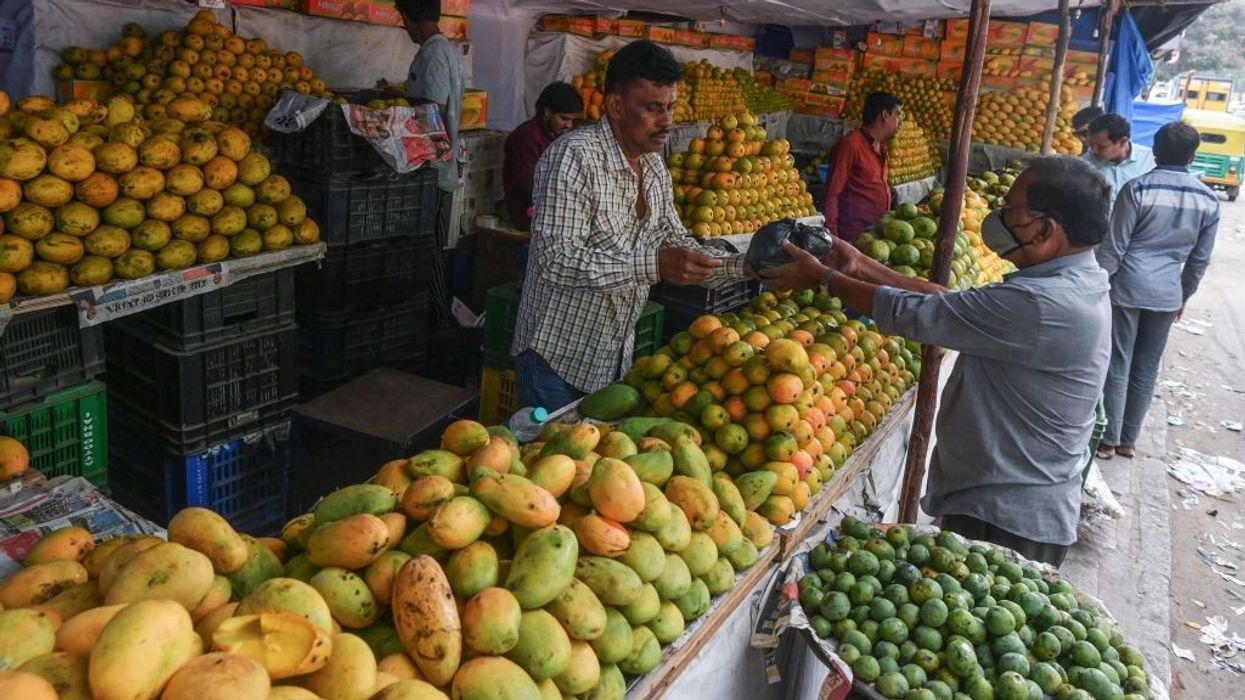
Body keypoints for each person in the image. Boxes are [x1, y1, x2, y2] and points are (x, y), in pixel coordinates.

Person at [760, 157, 1113, 566]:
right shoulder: (1072, 283)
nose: (1000, 215)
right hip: (1004, 497)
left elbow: (925, 315)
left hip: (1007, 515)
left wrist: (824, 279)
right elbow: (950, 303)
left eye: (1011, 209)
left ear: (1046, 228)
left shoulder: (1044, 304)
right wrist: (860, 264)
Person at [510, 41, 751, 410]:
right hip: (553, 359)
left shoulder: (654, 168)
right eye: (653, 108)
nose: (666, 120)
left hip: (610, 358)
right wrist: (655, 264)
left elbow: (678, 242)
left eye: (670, 107)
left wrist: (750, 266)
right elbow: (555, 260)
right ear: (616, 106)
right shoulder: (572, 157)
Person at [1095, 121, 1220, 461]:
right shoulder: (1208, 199)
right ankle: (1128, 442)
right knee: (1147, 367)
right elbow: (1199, 260)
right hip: (1167, 292)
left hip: (1127, 287)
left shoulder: (1137, 189)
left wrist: (1097, 287)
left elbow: (1114, 248)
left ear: (1156, 149)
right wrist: (1183, 294)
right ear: (1193, 156)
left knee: (1117, 362)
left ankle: (1107, 439)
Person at [398, 0, 464, 324]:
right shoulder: (438, 50)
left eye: (403, 19)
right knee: (428, 250)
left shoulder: (435, 53)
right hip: (434, 170)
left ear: (409, 17)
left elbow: (433, 111)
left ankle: (438, 326)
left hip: (436, 171)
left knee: (434, 253)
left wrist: (400, 113)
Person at [503, 82, 583, 231]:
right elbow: (529, 187)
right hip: (529, 217)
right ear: (547, 112)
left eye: (572, 120)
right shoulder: (526, 137)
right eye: (564, 118)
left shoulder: (555, 135)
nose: (569, 125)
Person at [823, 92, 901, 242]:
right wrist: (833, 236)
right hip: (853, 235)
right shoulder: (851, 145)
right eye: (896, 115)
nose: (899, 121)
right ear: (885, 115)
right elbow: (832, 193)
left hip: (875, 233)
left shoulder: (882, 148)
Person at [1084, 113, 1156, 208]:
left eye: (1101, 147)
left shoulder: (1151, 161)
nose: (1094, 150)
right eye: (1091, 145)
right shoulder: (1084, 164)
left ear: (1123, 142)